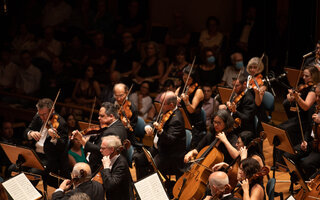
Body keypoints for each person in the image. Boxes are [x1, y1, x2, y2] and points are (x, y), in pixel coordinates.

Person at [134, 91, 186, 183]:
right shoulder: (165, 111)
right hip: (158, 148)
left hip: (169, 154)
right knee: (139, 159)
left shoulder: (176, 120)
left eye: (162, 104)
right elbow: (154, 120)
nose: (160, 106)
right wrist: (148, 127)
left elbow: (170, 140)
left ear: (171, 105)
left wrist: (161, 131)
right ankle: (142, 186)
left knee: (152, 167)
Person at [23, 98, 70, 185]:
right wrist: (31, 133)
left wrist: (54, 138)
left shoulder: (61, 123)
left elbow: (62, 146)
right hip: (33, 154)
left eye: (44, 114)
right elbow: (26, 131)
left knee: (33, 172)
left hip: (48, 158)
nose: (42, 117)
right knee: (14, 168)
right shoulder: (38, 117)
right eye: (40, 114)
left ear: (52, 110)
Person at [72, 102, 127, 172]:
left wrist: (81, 139)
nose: (98, 118)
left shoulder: (111, 131)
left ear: (111, 116)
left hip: (102, 167)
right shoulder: (120, 125)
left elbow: (99, 150)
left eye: (102, 116)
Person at [283, 83, 320, 180]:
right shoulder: (314, 108)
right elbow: (309, 129)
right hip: (312, 143)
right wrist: (305, 141)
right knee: (288, 155)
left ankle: (311, 185)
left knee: (306, 163)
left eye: (319, 96)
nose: (316, 99)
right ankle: (301, 181)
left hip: (319, 148)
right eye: (316, 95)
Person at [280, 65, 319, 146]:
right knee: (279, 128)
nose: (304, 78)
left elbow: (306, 106)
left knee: (283, 130)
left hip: (306, 120)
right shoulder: (304, 86)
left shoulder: (314, 89)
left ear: (314, 76)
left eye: (307, 76)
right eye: (303, 75)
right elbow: (289, 97)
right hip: (298, 117)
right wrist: (290, 97)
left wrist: (297, 97)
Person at [176, 65, 205, 148]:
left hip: (193, 122)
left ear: (194, 78)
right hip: (181, 120)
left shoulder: (198, 91)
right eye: (184, 79)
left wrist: (186, 101)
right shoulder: (180, 89)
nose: (186, 81)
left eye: (189, 79)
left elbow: (191, 110)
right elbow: (173, 105)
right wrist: (175, 101)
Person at [100, 135, 133, 200]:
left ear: (112, 149)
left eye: (103, 148)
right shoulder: (108, 158)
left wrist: (106, 167)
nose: (100, 150)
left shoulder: (121, 164)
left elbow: (110, 185)